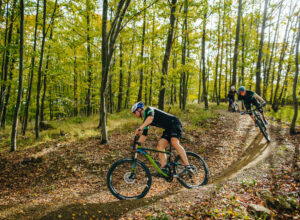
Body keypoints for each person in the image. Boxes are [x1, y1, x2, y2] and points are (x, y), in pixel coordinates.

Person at [131, 101, 194, 176]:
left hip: (175, 123)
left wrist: (140, 127)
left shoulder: (149, 110)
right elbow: (144, 135)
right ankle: (164, 169)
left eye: (135, 112)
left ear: (139, 109)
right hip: (168, 128)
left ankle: (188, 167)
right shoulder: (146, 120)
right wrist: (137, 145)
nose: (135, 115)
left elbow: (150, 118)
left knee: (174, 143)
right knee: (160, 145)